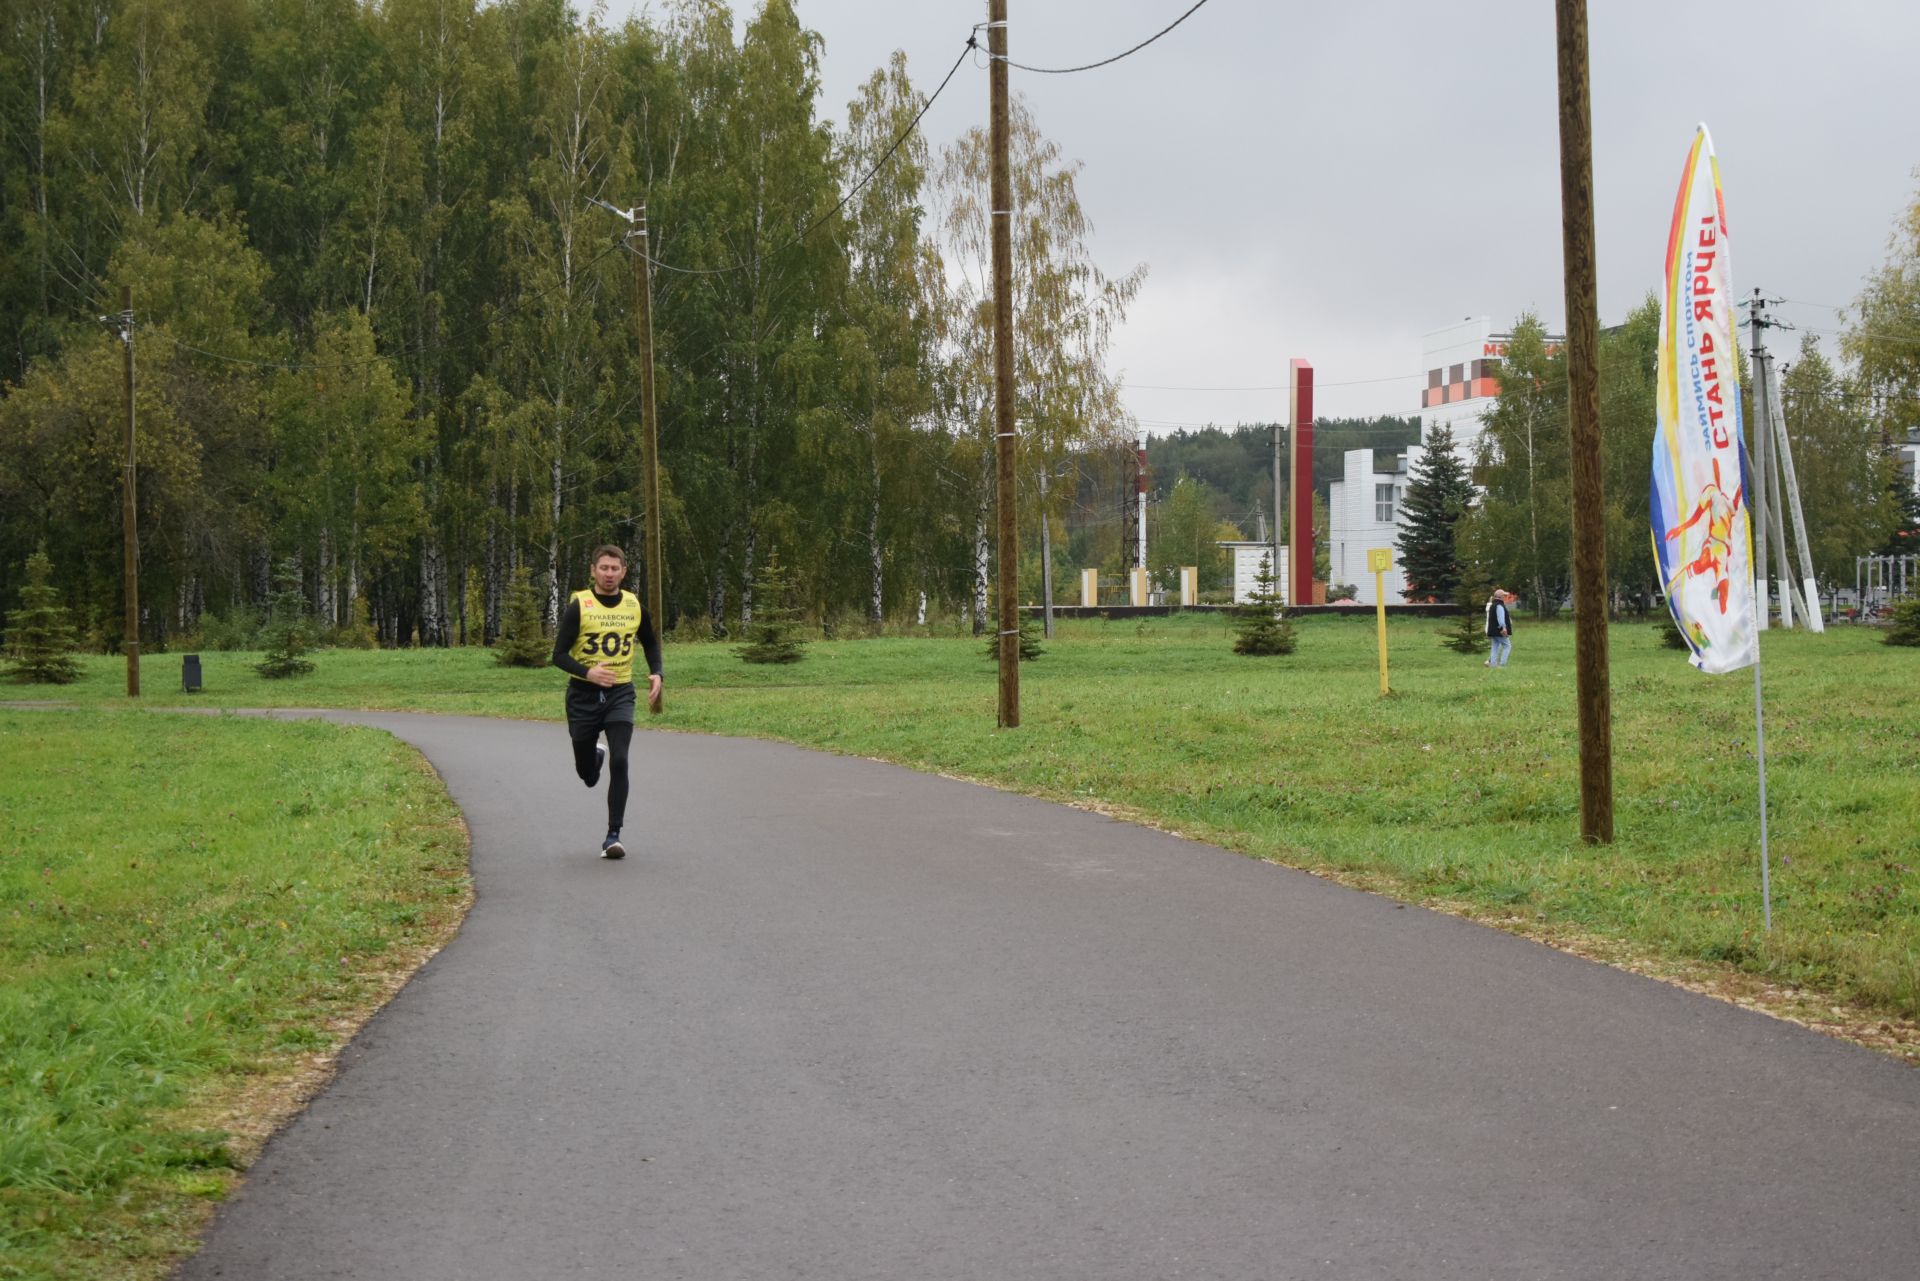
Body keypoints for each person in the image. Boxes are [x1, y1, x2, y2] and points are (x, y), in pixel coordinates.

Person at [551, 545, 663, 859]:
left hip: (620, 693)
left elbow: (651, 642)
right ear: (593, 570)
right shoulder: (580, 606)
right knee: (587, 775)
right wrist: (588, 672)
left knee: (622, 760)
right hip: (582, 696)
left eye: (615, 568)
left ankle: (613, 835)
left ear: (624, 572)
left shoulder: (633, 605)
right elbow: (558, 655)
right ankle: (592, 758)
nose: (609, 574)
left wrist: (657, 673)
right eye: (604, 568)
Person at [1485, 588, 1514, 669]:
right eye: (1504, 595)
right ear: (1501, 596)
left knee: (1495, 647)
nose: (1505, 597)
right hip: (1499, 630)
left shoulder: (1492, 605)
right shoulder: (1499, 606)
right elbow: (1500, 619)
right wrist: (1504, 628)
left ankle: (1493, 665)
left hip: (1492, 631)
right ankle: (1502, 665)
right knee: (1507, 646)